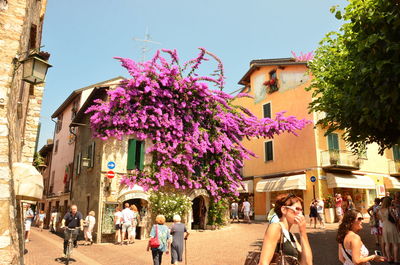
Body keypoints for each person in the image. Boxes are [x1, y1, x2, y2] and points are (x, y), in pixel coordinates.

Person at [259, 194, 312, 265]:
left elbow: (307, 263)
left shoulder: (291, 236)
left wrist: (303, 232)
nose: (300, 213)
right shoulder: (275, 227)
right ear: (284, 210)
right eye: (297, 209)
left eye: (301, 210)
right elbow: (263, 262)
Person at [378, 197, 400, 263]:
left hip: (385, 227)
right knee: (395, 244)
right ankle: (396, 259)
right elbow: (395, 219)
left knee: (387, 244)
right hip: (391, 227)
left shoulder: (380, 210)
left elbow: (381, 220)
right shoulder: (389, 209)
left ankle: (389, 259)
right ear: (389, 202)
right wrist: (396, 217)